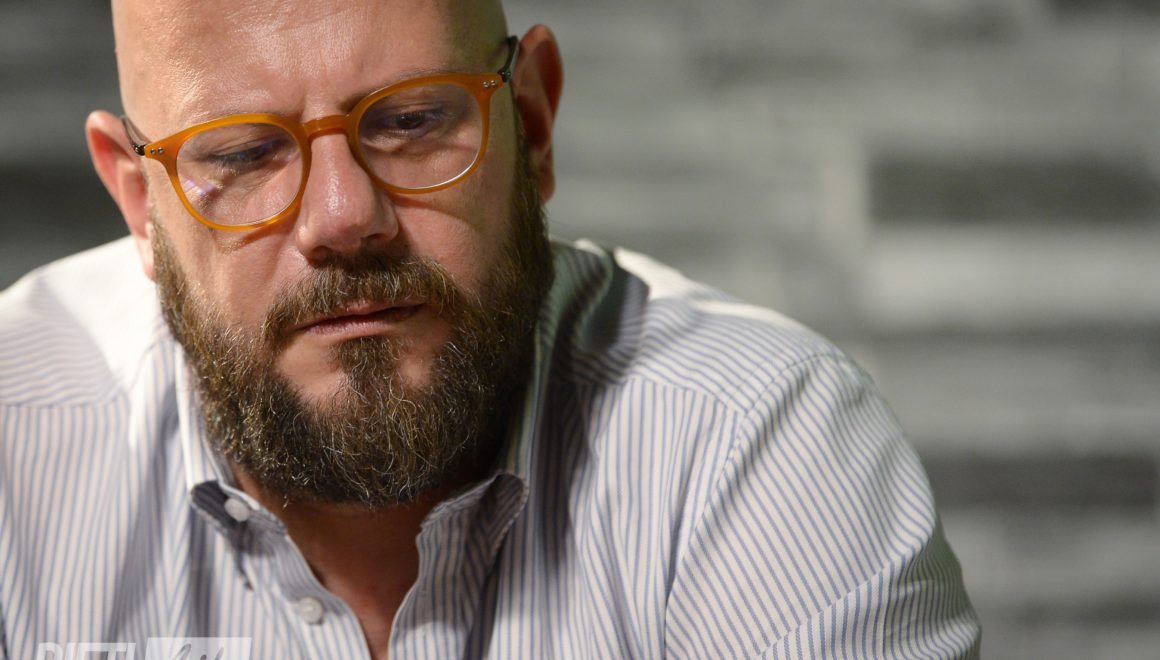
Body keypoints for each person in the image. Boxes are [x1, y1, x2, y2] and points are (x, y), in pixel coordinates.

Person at [0, 0, 980, 657]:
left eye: (412, 120)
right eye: (244, 153)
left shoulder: (755, 442)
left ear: (533, 121)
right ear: (141, 205)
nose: (342, 216)